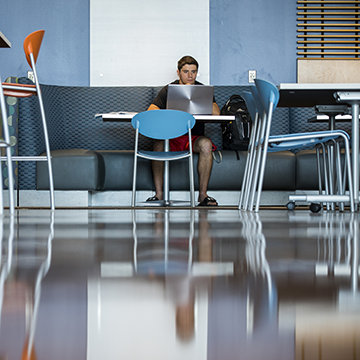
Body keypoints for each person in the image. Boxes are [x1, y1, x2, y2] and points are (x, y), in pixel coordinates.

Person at [146, 55, 220, 206]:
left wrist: (202, 97)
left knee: (206, 145)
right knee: (158, 144)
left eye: (193, 71)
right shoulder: (169, 89)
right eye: (186, 71)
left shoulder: (203, 90)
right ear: (178, 72)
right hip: (171, 137)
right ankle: (159, 194)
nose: (190, 75)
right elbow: (151, 110)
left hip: (194, 138)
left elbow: (216, 114)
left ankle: (203, 195)